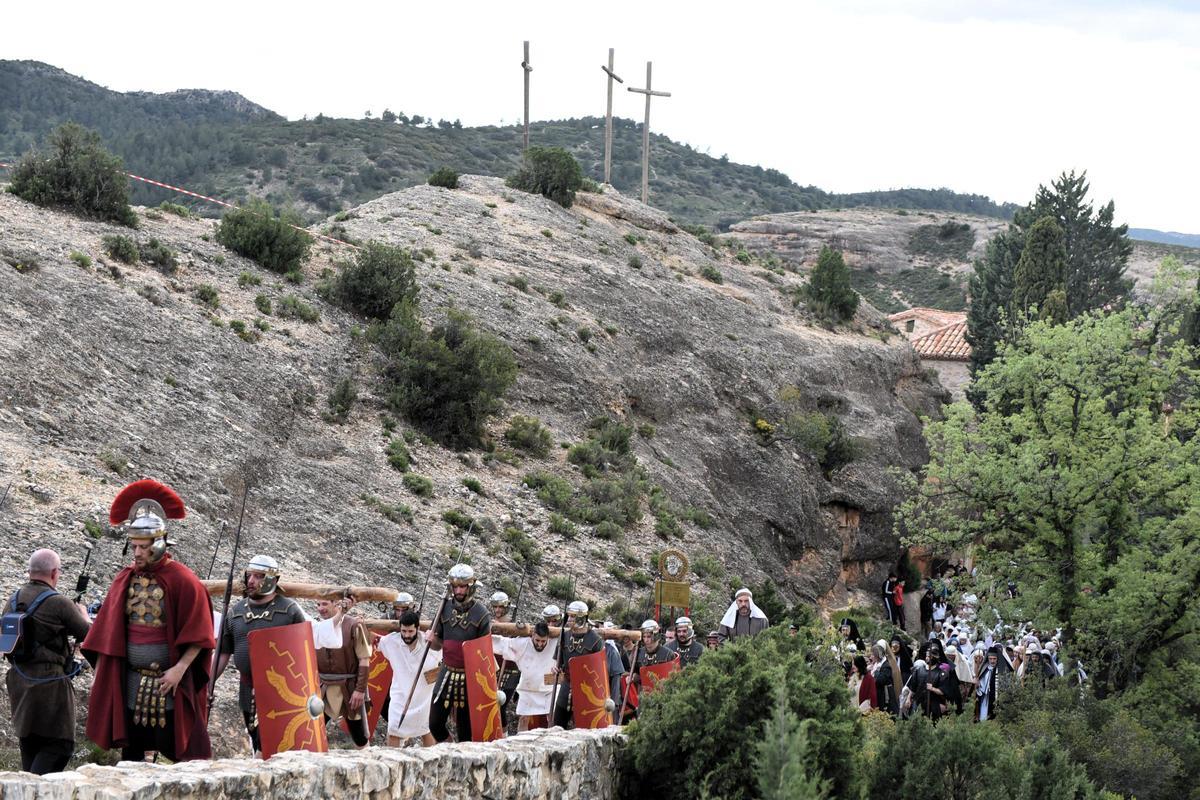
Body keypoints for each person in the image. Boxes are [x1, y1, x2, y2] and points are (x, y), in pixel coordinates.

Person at [83, 480, 215, 763]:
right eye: (133, 547)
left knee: (186, 759)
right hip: (130, 680)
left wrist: (180, 669)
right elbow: (106, 631)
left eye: (143, 547)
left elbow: (201, 633)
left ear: (160, 544)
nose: (137, 553)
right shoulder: (124, 579)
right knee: (132, 755)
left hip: (168, 682)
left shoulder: (184, 581)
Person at [4, 549, 92, 774]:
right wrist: (84, 615)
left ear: (30, 571)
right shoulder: (60, 603)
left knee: (30, 743)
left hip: (19, 685)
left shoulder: (12, 601)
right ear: (54, 573)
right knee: (60, 746)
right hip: (51, 686)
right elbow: (90, 636)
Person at [212, 554, 306, 754]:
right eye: (250, 575)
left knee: (274, 746)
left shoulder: (289, 611)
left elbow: (303, 657)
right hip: (247, 689)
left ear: (273, 580)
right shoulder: (236, 612)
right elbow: (223, 653)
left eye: (259, 576)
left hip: (282, 692)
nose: (252, 581)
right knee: (256, 742)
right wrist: (208, 683)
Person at [427, 564, 490, 742]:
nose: (459, 590)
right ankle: (450, 750)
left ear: (471, 587)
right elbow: (437, 646)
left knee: (465, 731)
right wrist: (433, 639)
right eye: (455, 586)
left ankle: (463, 762)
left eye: (462, 586)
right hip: (446, 672)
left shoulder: (481, 614)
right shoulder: (443, 607)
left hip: (469, 677)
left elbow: (483, 654)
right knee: (434, 723)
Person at [313, 596, 372, 748]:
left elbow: (364, 659)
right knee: (312, 731)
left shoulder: (354, 625)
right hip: (323, 688)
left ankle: (368, 762)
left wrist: (359, 690)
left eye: (324, 603)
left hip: (349, 688)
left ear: (337, 604)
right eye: (318, 604)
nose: (320, 608)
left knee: (359, 736)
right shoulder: (317, 627)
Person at [377, 610, 441, 746]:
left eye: (410, 631)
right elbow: (372, 639)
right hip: (399, 694)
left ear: (417, 629)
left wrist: (435, 640)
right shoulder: (392, 641)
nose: (406, 635)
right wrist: (359, 624)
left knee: (425, 729)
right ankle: (393, 763)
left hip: (423, 696)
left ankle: (432, 761)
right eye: (404, 631)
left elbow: (445, 655)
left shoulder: (428, 642)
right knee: (394, 729)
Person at [492, 621, 558, 731]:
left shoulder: (556, 643)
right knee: (523, 718)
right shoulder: (522, 643)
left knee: (551, 718)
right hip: (527, 687)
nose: (540, 644)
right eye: (537, 640)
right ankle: (519, 743)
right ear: (532, 635)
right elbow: (503, 643)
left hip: (548, 688)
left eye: (543, 641)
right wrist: (483, 634)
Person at [551, 601, 603, 729]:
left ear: (581, 618)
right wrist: (554, 668)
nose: (569, 620)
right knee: (557, 725)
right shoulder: (564, 635)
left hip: (586, 691)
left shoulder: (595, 640)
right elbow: (558, 661)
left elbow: (600, 671)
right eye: (569, 616)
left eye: (573, 616)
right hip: (566, 687)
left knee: (584, 728)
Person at [923, 639, 961, 721]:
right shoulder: (924, 665)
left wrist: (945, 704)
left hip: (941, 702)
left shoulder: (946, 667)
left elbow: (952, 688)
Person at [974, 645, 1001, 721]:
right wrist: (978, 683)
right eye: (990, 659)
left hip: (996, 697)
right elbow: (980, 679)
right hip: (985, 697)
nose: (992, 661)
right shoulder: (984, 667)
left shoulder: (1001, 669)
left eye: (994, 659)